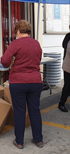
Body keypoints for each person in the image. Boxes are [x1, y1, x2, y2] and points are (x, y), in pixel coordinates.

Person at [1, 20, 43, 149]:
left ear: (18, 31)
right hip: (35, 81)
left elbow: (5, 62)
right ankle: (39, 140)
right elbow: (38, 59)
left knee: (19, 112)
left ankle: (19, 141)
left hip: (19, 81)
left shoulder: (15, 43)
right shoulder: (36, 43)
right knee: (34, 111)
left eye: (16, 33)